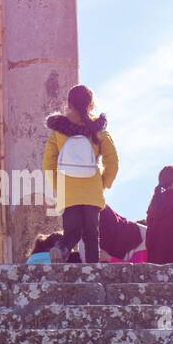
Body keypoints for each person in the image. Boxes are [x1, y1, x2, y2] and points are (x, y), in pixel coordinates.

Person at [42, 84, 119, 263]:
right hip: (92, 190)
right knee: (91, 235)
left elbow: (48, 163)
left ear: (68, 103)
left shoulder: (58, 131)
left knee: (72, 232)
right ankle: (93, 269)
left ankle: (61, 249)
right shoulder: (98, 130)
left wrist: (58, 186)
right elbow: (112, 161)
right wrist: (103, 182)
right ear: (91, 104)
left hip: (68, 191)